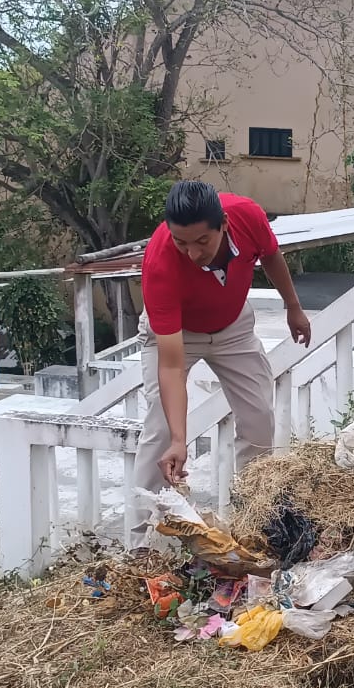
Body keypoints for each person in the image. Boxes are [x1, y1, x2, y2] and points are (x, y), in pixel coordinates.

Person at [129, 181, 312, 549]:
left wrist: (293, 306)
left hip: (233, 327)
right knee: (160, 431)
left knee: (260, 419)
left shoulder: (247, 215)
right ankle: (140, 547)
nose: (192, 253)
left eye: (202, 241)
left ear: (224, 225)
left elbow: (271, 255)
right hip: (177, 334)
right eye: (182, 242)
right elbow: (171, 366)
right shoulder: (160, 262)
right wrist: (179, 440)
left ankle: (255, 529)